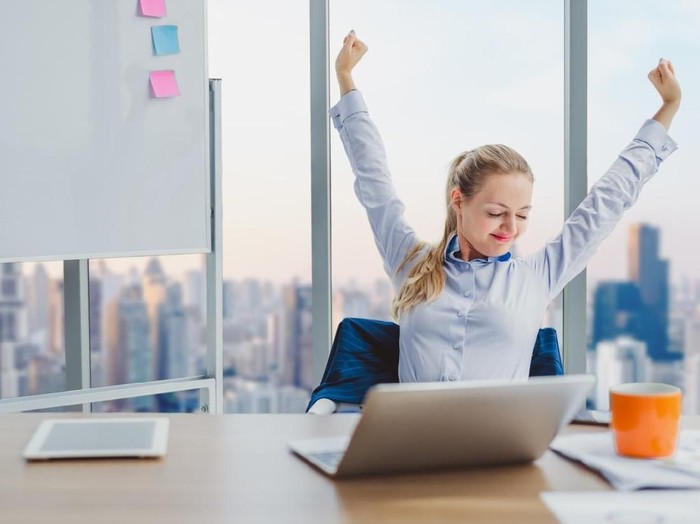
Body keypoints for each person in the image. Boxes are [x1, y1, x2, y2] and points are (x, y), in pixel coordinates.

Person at [329, 30, 681, 384]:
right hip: (413, 438)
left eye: (523, 214)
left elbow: (605, 203)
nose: (511, 227)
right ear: (459, 202)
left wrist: (666, 111)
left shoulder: (536, 277)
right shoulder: (411, 261)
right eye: (496, 212)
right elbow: (375, 184)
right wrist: (346, 80)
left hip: (501, 440)